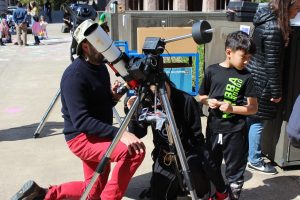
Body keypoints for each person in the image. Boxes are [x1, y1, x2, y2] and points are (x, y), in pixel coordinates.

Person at [11, 19, 145, 200]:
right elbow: (81, 120)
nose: (105, 45)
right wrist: (120, 134)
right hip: (81, 137)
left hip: (97, 133)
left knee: (93, 191)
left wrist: (112, 98)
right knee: (134, 151)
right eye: (99, 42)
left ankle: (41, 194)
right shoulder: (74, 76)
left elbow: (98, 107)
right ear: (85, 47)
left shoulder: (100, 68)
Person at [125, 77, 229, 200]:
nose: (158, 100)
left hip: (188, 152)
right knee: (159, 194)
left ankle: (208, 188)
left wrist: (172, 119)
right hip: (165, 154)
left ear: (166, 84)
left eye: (160, 94)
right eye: (154, 97)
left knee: (198, 170)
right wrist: (132, 112)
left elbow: (197, 139)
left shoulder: (187, 100)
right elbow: (138, 133)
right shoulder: (148, 101)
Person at [198, 31, 258, 200]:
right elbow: (201, 96)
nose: (247, 61)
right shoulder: (212, 71)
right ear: (229, 52)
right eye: (244, 57)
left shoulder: (247, 76)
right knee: (211, 165)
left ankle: (233, 195)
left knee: (235, 169)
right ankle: (216, 193)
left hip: (236, 131)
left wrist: (232, 109)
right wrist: (207, 101)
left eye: (249, 58)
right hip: (214, 128)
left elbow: (253, 108)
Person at [246, 0, 300, 175]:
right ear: (286, 6)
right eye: (297, 8)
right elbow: (272, 64)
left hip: (254, 75)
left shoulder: (265, 20)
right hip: (264, 81)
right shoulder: (274, 29)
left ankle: (249, 153)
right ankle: (254, 159)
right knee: (257, 121)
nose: (298, 12)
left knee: (252, 117)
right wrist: (276, 92)